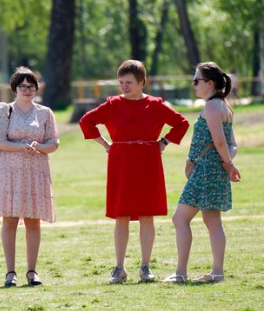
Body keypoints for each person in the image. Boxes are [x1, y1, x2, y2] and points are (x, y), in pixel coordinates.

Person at [79, 60, 189, 284]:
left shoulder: (156, 105)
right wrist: (105, 144)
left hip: (148, 161)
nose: (124, 87)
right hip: (121, 162)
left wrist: (164, 141)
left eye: (129, 82)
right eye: (121, 82)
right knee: (121, 216)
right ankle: (119, 268)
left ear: (142, 82)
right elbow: (86, 121)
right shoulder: (112, 105)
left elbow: (182, 122)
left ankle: (145, 267)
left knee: (147, 215)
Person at [166, 62, 241, 284]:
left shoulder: (210, 107)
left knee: (179, 218)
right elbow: (233, 144)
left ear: (210, 83)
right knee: (212, 221)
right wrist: (227, 163)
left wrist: (226, 163)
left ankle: (180, 273)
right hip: (215, 170)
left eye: (197, 80)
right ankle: (217, 272)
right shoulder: (224, 106)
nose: (194, 84)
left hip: (206, 171)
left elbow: (220, 141)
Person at [0, 67, 59, 288]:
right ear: (14, 89)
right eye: (23, 86)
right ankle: (10, 272)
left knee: (33, 220)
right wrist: (21, 147)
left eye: (31, 86)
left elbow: (54, 143)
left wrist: (40, 147)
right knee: (9, 219)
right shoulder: (5, 110)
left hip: (36, 170)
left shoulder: (45, 112)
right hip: (9, 169)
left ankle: (31, 271)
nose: (27, 90)